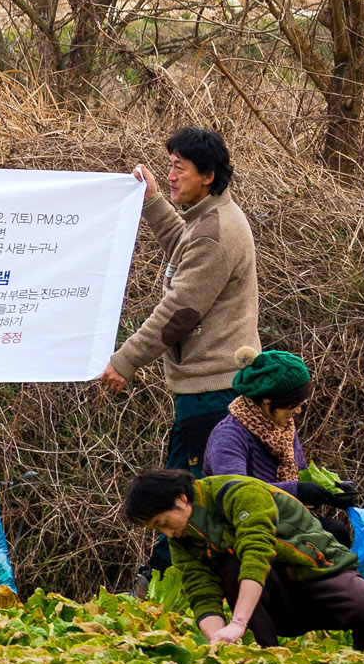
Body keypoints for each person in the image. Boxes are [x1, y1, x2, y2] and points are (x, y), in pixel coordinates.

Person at [101, 126, 259, 475]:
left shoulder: (214, 234)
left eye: (179, 168)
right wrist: (154, 202)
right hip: (211, 391)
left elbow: (179, 312)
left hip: (214, 394)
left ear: (207, 176)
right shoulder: (211, 219)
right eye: (169, 166)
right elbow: (185, 251)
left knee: (193, 504)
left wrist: (125, 360)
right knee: (179, 500)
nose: (171, 176)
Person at [122, 467, 364, 649]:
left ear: (181, 499)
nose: (168, 533)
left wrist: (237, 623)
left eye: (164, 522)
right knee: (231, 564)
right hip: (274, 600)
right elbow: (200, 590)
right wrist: (217, 638)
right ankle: (268, 655)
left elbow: (257, 553)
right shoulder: (181, 538)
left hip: (319, 574)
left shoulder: (238, 493)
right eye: (159, 530)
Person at [203, 348, 309, 487]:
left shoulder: (283, 427)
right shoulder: (228, 436)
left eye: (302, 403)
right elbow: (236, 491)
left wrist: (335, 488)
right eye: (294, 404)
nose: (299, 410)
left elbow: (303, 476)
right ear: (267, 399)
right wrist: (298, 491)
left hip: (284, 508)